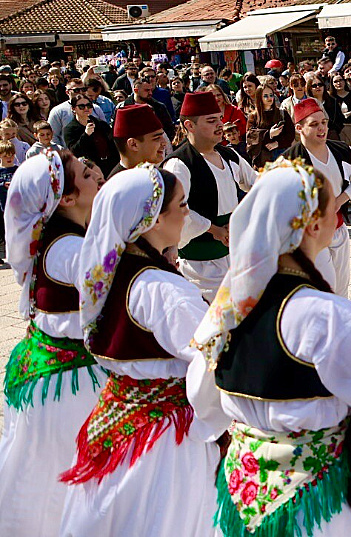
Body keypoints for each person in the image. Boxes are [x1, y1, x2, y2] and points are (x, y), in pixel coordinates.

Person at [186, 158, 351, 536]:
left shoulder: (227, 309)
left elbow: (203, 401)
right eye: (333, 207)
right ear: (313, 225)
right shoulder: (323, 315)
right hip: (317, 506)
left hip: (242, 497)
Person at [59, 165, 220, 535]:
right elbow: (215, 359)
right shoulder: (163, 289)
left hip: (115, 423)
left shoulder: (106, 273)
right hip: (163, 443)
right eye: (182, 204)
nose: (187, 213)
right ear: (153, 219)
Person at [0, 151, 104, 535]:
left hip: (51, 373)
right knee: (62, 479)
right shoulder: (69, 250)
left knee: (44, 474)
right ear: (67, 199)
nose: (96, 173)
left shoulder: (65, 239)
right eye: (86, 173)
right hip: (66, 389)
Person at [163, 91, 257, 301]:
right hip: (200, 265)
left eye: (220, 119)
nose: (220, 125)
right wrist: (214, 229)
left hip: (233, 255)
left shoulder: (229, 155)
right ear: (190, 125)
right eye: (211, 120)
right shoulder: (179, 164)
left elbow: (256, 183)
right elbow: (176, 210)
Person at [279, 98, 351, 298]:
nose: (321, 128)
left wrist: (341, 199)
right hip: (310, 235)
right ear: (299, 128)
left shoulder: (340, 150)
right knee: (326, 287)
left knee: (342, 287)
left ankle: (339, 317)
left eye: (324, 122)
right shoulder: (288, 162)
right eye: (314, 124)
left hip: (338, 228)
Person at [62, 93, 118, 175]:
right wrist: (86, 135)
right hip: (90, 168)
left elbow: (113, 143)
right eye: (81, 106)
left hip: (110, 164)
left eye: (89, 105)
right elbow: (74, 151)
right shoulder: (70, 129)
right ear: (73, 109)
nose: (86, 108)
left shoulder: (100, 123)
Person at [108, 103, 170, 178]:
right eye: (157, 138)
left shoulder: (155, 175)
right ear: (133, 144)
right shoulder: (118, 183)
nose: (164, 143)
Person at [246, 87, 294, 167]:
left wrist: (278, 143)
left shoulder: (282, 113)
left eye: (271, 95)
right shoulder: (254, 116)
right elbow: (250, 137)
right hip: (263, 157)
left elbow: (290, 134)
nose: (269, 98)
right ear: (259, 98)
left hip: (281, 154)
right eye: (265, 96)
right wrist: (269, 134)